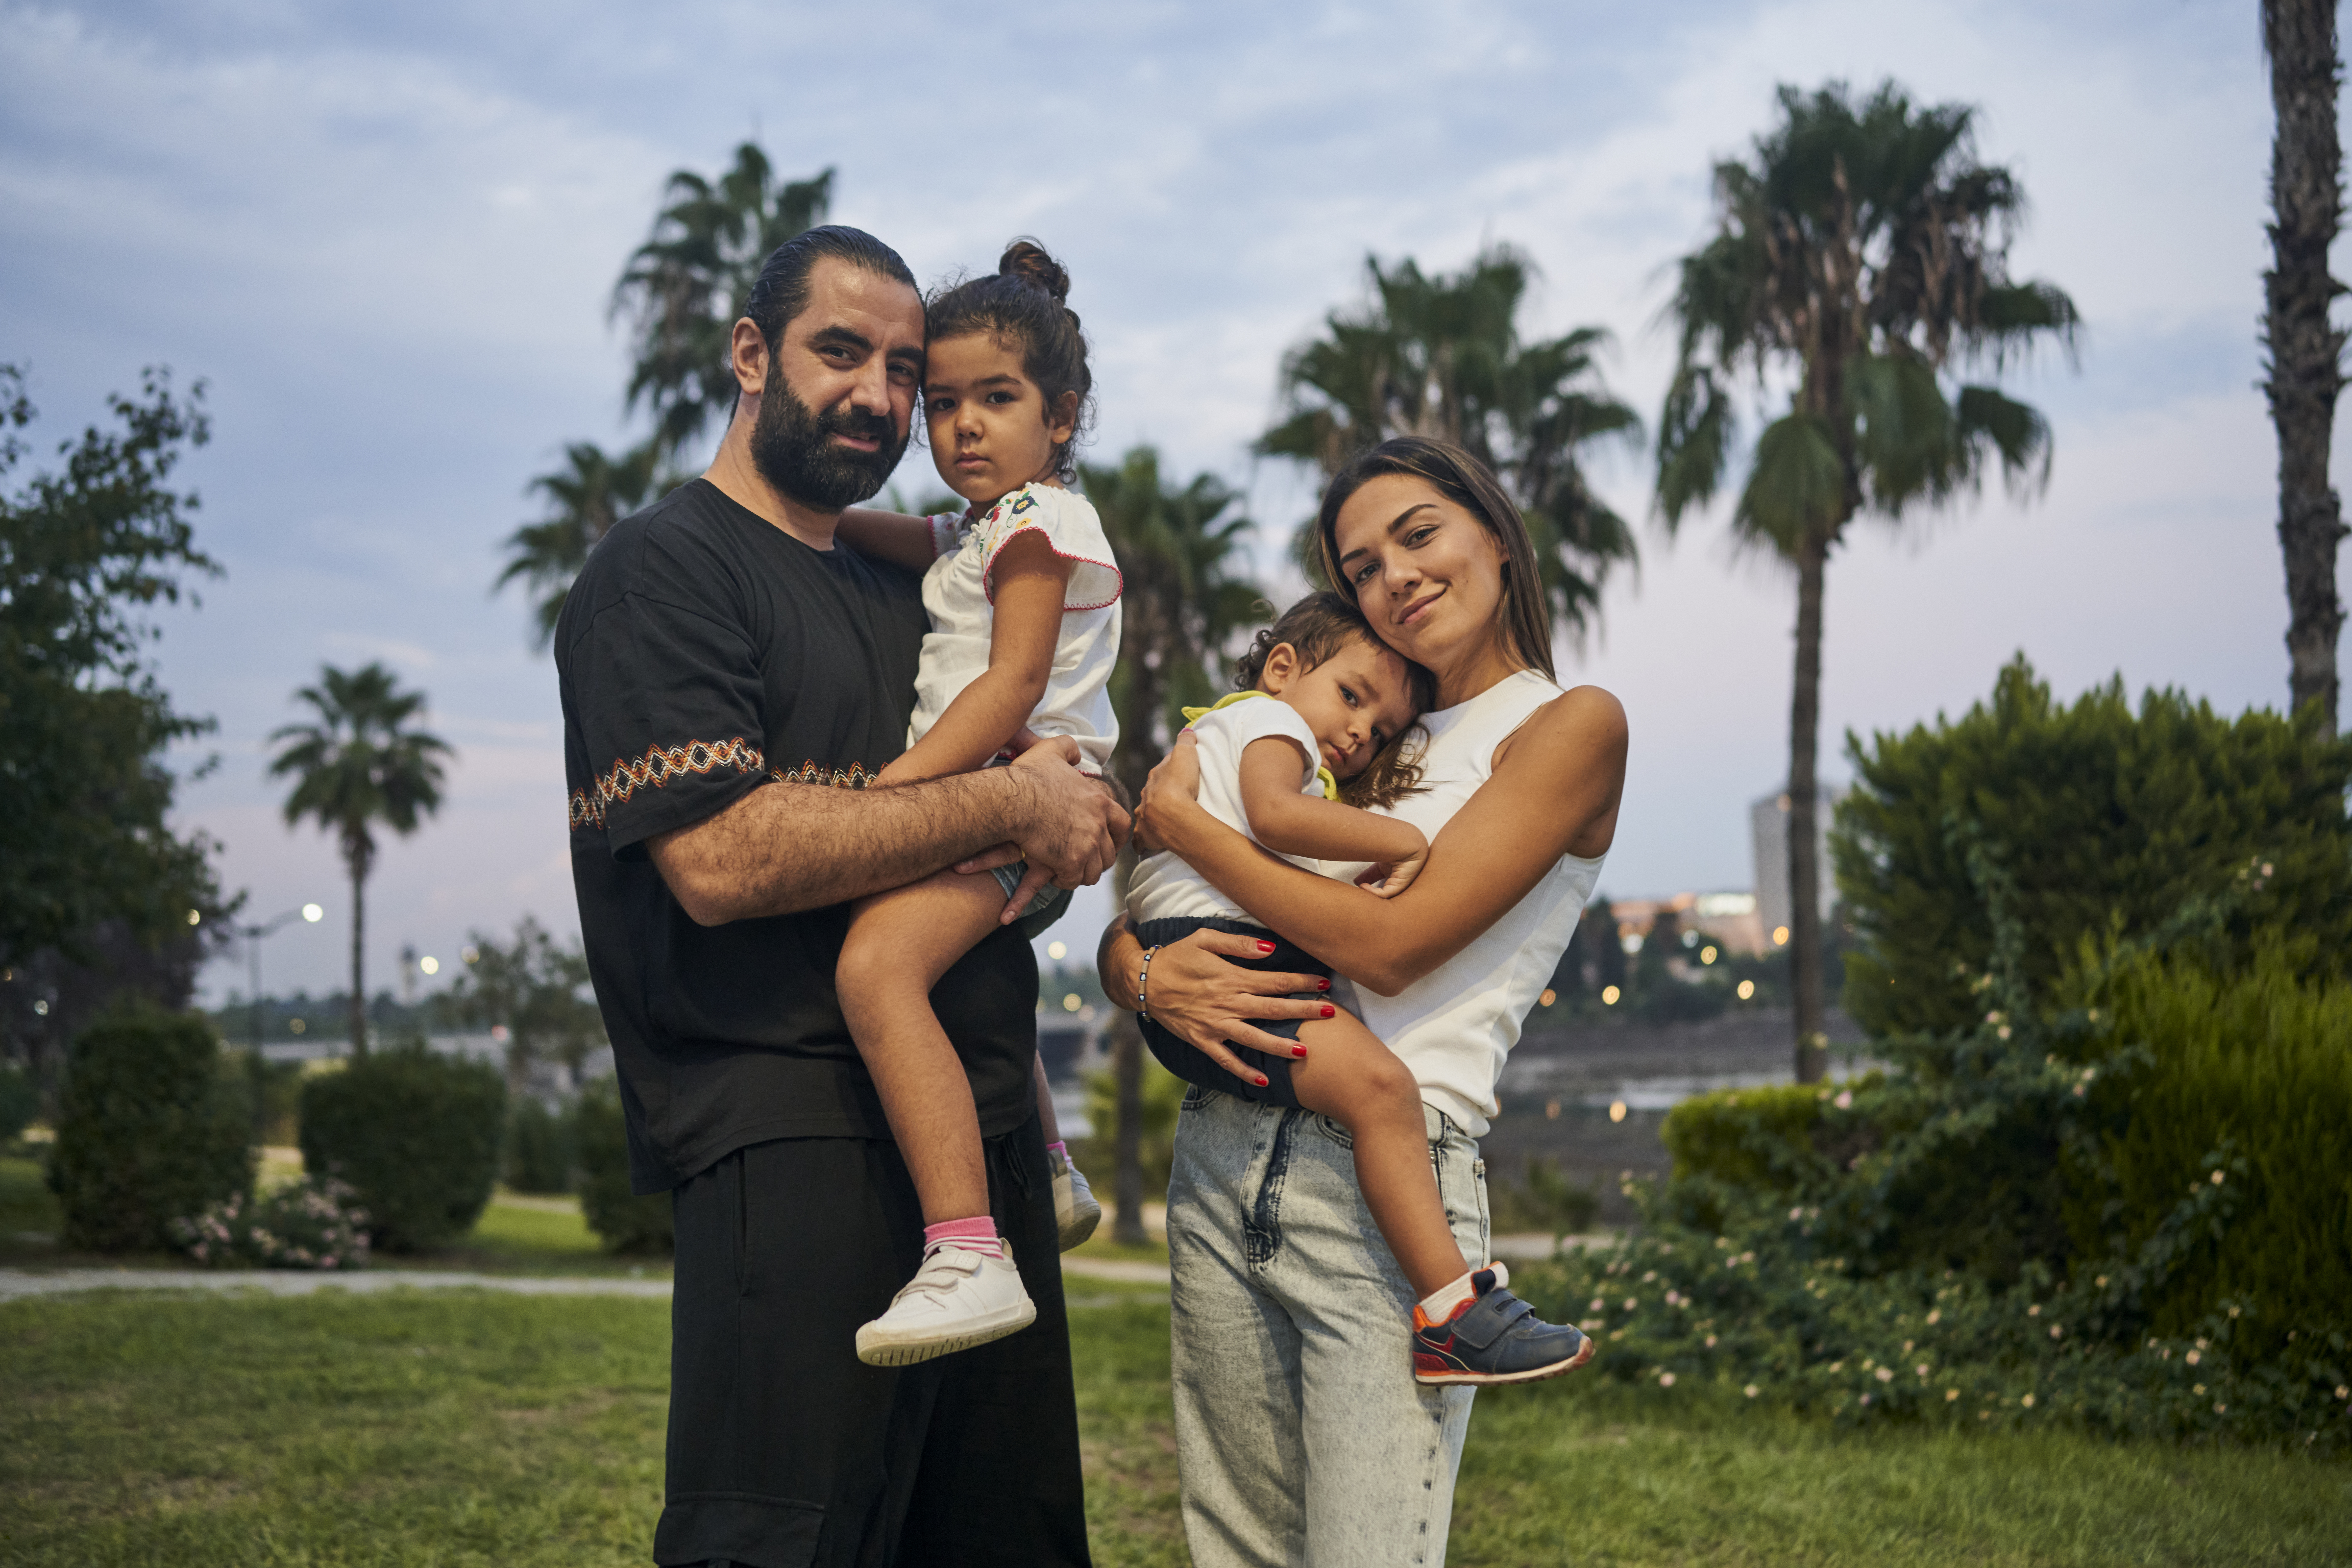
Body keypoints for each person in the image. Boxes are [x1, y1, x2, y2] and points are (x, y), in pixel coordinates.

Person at [558, 224, 1122, 1568]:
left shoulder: (914, 587)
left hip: (981, 1152)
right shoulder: (664, 569)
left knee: (1004, 1544)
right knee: (784, 1544)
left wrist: (1072, 845)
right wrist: (1006, 805)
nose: (879, 395)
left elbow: (1015, 849)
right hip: (791, 1137)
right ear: (752, 355)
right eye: (841, 352)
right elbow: (721, 860)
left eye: (906, 369)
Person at [1097, 436, 1628, 1566]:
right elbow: (1186, 916)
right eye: (1362, 566)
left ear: (1493, 529)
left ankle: (1460, 1321)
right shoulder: (1352, 734)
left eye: (1419, 535)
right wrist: (1132, 969)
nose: (1396, 575)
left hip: (1390, 1191)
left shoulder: (1568, 728)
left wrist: (1189, 824)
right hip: (1228, 1142)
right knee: (1237, 1552)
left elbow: (1390, 950)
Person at [1124, 590, 1594, 1387]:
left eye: (1379, 732)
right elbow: (1275, 821)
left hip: (1209, 957)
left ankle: (1453, 1311)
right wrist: (1400, 839)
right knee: (1382, 1091)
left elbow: (1285, 874)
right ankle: (1453, 1312)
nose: (1357, 734)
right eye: (1350, 698)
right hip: (1233, 958)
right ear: (1282, 669)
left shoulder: (1241, 737)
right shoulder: (1269, 728)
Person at [829, 240, 1120, 1366]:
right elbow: (888, 535)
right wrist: (803, 511)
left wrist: (895, 797)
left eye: (997, 399)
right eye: (941, 403)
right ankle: (1046, 1173)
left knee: (877, 969)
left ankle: (968, 1253)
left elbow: (1012, 685)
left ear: (1061, 416)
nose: (961, 427)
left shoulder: (1047, 525)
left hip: (1014, 798)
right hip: (998, 797)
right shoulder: (982, 530)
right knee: (941, 980)